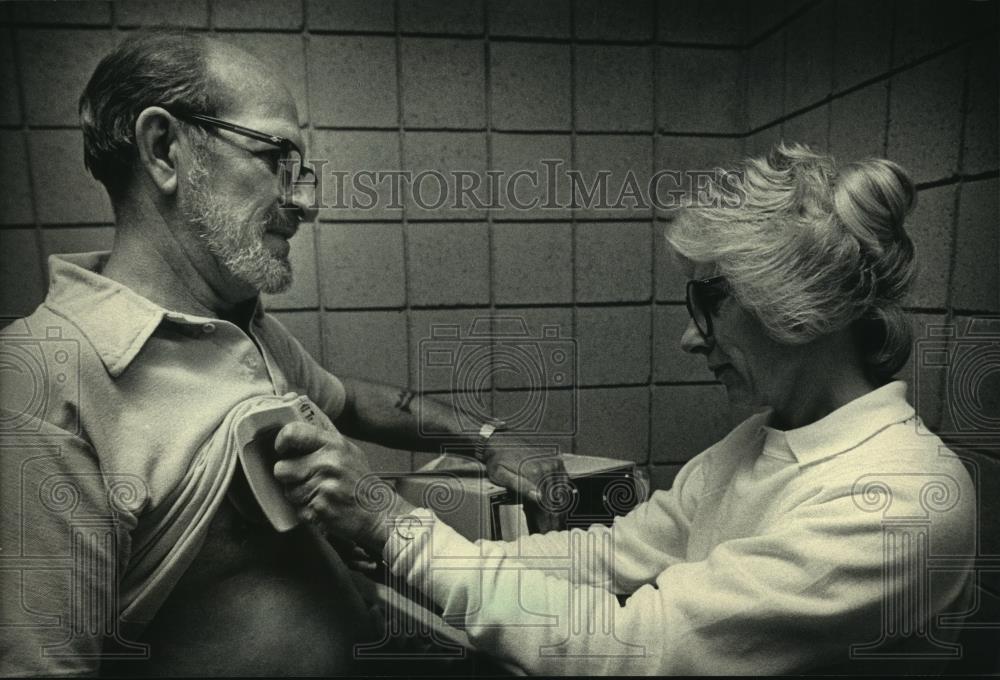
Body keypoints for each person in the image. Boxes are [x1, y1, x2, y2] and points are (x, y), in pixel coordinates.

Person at [274, 143, 977, 674]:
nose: (688, 337)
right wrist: (421, 555)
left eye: (710, 300)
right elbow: (605, 558)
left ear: (803, 310)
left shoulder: (898, 500)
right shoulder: (758, 443)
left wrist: (394, 528)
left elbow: (635, 648)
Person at [0, 31, 562, 676]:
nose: (306, 202)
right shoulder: (44, 382)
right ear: (163, 150)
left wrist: (486, 441)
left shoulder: (238, 326)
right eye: (276, 157)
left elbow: (350, 402)